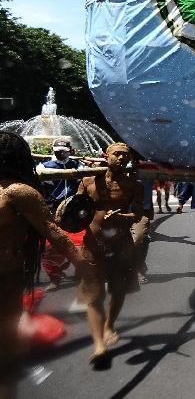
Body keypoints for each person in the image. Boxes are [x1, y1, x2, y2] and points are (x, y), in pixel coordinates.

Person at [0, 132, 89, 394]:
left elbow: (53, 231)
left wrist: (82, 263)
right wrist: (83, 264)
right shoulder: (18, 191)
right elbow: (54, 232)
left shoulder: (17, 192)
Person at [76, 142, 145, 366]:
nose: (122, 158)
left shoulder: (134, 185)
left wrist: (122, 218)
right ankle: (99, 345)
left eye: (126, 155)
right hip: (92, 246)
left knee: (118, 290)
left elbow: (138, 214)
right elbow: (76, 210)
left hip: (121, 246)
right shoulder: (88, 182)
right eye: (117, 154)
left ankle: (109, 326)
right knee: (94, 295)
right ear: (107, 156)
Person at [37, 138, 82, 290]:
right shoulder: (44, 167)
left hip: (75, 211)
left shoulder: (77, 165)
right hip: (53, 210)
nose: (61, 154)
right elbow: (40, 190)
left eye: (64, 151)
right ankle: (54, 278)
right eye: (58, 151)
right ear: (53, 151)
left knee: (81, 243)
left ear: (69, 151)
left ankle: (80, 272)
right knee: (52, 245)